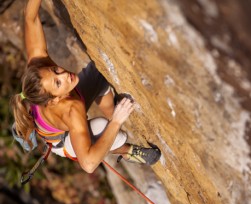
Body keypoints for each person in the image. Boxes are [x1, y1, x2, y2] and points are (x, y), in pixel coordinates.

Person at [10, 0, 161, 173]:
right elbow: (88, 164)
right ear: (54, 99)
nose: (65, 75)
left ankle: (112, 109)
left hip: (63, 106)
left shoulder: (39, 68)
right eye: (58, 82)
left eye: (55, 70)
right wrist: (116, 122)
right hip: (62, 141)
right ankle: (127, 151)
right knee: (109, 131)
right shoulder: (72, 110)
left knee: (100, 70)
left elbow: (30, 17)